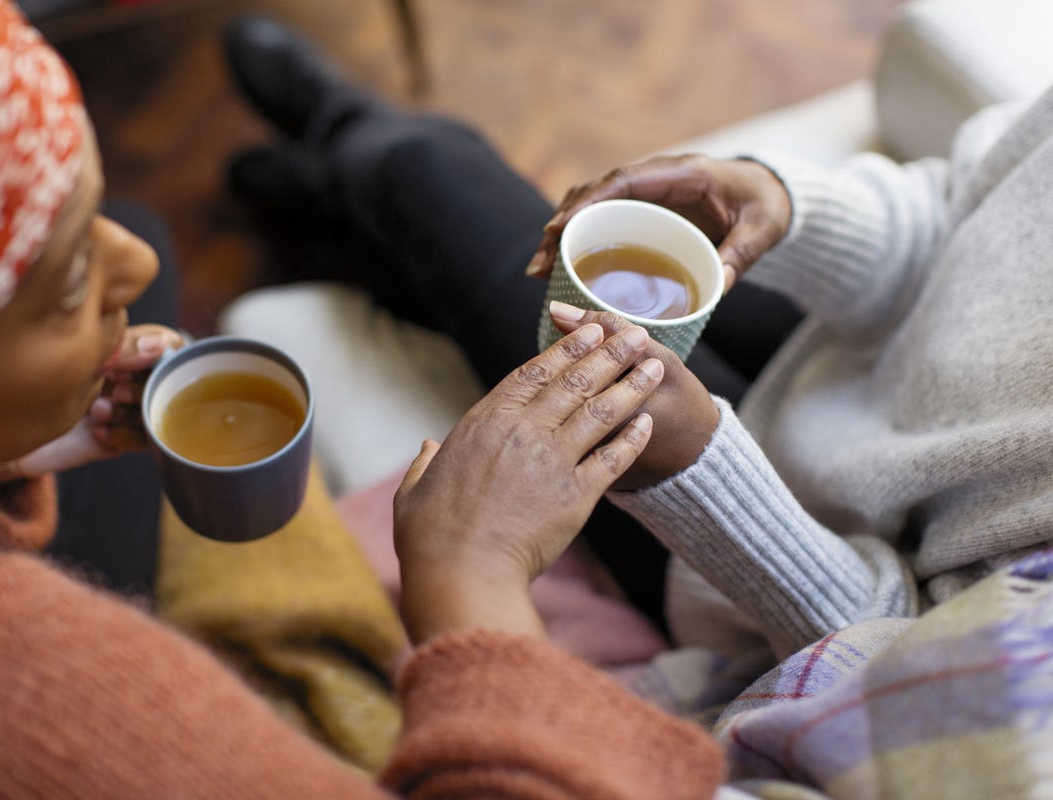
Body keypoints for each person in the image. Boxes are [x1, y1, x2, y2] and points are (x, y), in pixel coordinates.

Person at [0, 0, 727, 796]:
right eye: (72, 275)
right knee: (418, 176)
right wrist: (473, 578)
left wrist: (0, 455)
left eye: (90, 214)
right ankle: (338, 166)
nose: (137, 264)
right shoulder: (21, 689)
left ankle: (320, 180)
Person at [220, 16, 1053, 716]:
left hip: (758, 548)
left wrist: (696, 471)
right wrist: (790, 206)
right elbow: (959, 209)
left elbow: (897, 689)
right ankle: (339, 190)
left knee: (427, 173)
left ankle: (338, 161)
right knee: (438, 205)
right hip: (844, 350)